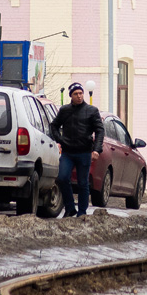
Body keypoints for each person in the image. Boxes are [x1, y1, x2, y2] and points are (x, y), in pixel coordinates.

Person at [49, 82, 103, 217]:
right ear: (71, 96)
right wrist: (59, 140)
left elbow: (100, 130)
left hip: (84, 152)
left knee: (83, 183)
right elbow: (54, 126)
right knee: (62, 178)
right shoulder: (65, 110)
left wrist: (96, 149)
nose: (79, 96)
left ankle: (82, 212)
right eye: (75, 94)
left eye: (81, 93)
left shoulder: (91, 111)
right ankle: (70, 208)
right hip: (68, 152)